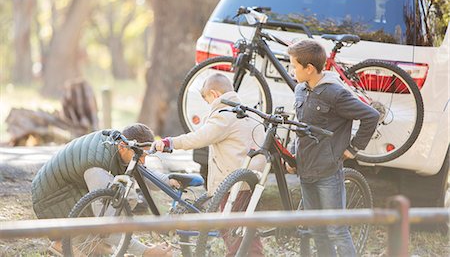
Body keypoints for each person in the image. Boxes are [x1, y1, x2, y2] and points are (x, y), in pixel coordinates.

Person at [153, 73, 266, 257]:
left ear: (214, 94)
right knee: (244, 231)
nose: (208, 105)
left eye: (207, 100)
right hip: (250, 181)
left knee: (233, 232)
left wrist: (170, 143)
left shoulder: (224, 115)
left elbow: (199, 137)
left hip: (231, 185)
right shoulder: (250, 112)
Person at [286, 40, 380, 257]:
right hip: (305, 169)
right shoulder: (300, 90)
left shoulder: (335, 94)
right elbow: (299, 126)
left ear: (309, 68)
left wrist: (354, 148)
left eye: (294, 66)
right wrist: (292, 153)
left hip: (328, 171)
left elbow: (371, 116)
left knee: (336, 229)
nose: (292, 71)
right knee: (316, 228)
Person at [31, 123, 174, 257]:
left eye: (145, 156)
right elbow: (105, 222)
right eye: (141, 156)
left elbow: (143, 172)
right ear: (123, 147)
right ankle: (62, 243)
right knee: (119, 202)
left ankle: (94, 241)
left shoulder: (119, 144)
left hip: (64, 186)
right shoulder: (96, 170)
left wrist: (170, 181)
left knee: (125, 197)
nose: (142, 161)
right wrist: (146, 252)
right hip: (52, 196)